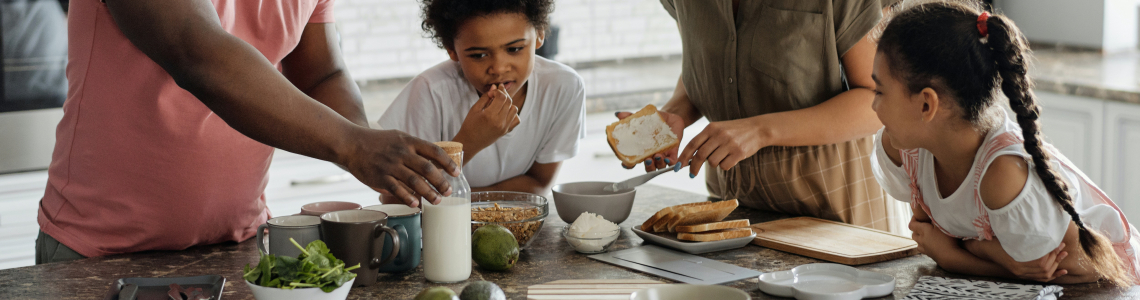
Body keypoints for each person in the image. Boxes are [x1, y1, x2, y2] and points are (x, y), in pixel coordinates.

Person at [35, 0, 458, 263]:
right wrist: (353, 145)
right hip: (101, 251)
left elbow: (321, 73)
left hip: (236, 244)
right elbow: (193, 49)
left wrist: (375, 154)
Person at [870, 1, 1139, 285]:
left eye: (880, 91)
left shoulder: (1003, 174)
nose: (873, 105)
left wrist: (960, 255)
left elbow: (1074, 267)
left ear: (926, 104)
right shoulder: (907, 149)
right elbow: (929, 236)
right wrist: (992, 255)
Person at [620, 0, 901, 231]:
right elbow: (709, 63)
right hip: (731, 209)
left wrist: (761, 130)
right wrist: (674, 115)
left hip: (833, 209)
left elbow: (879, 99)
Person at [379, 0, 585, 194]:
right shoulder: (430, 92)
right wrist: (469, 141)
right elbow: (396, 197)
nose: (499, 68)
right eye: (479, 55)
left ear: (540, 34)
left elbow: (538, 184)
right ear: (451, 49)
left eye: (514, 49)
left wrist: (460, 200)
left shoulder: (563, 87)